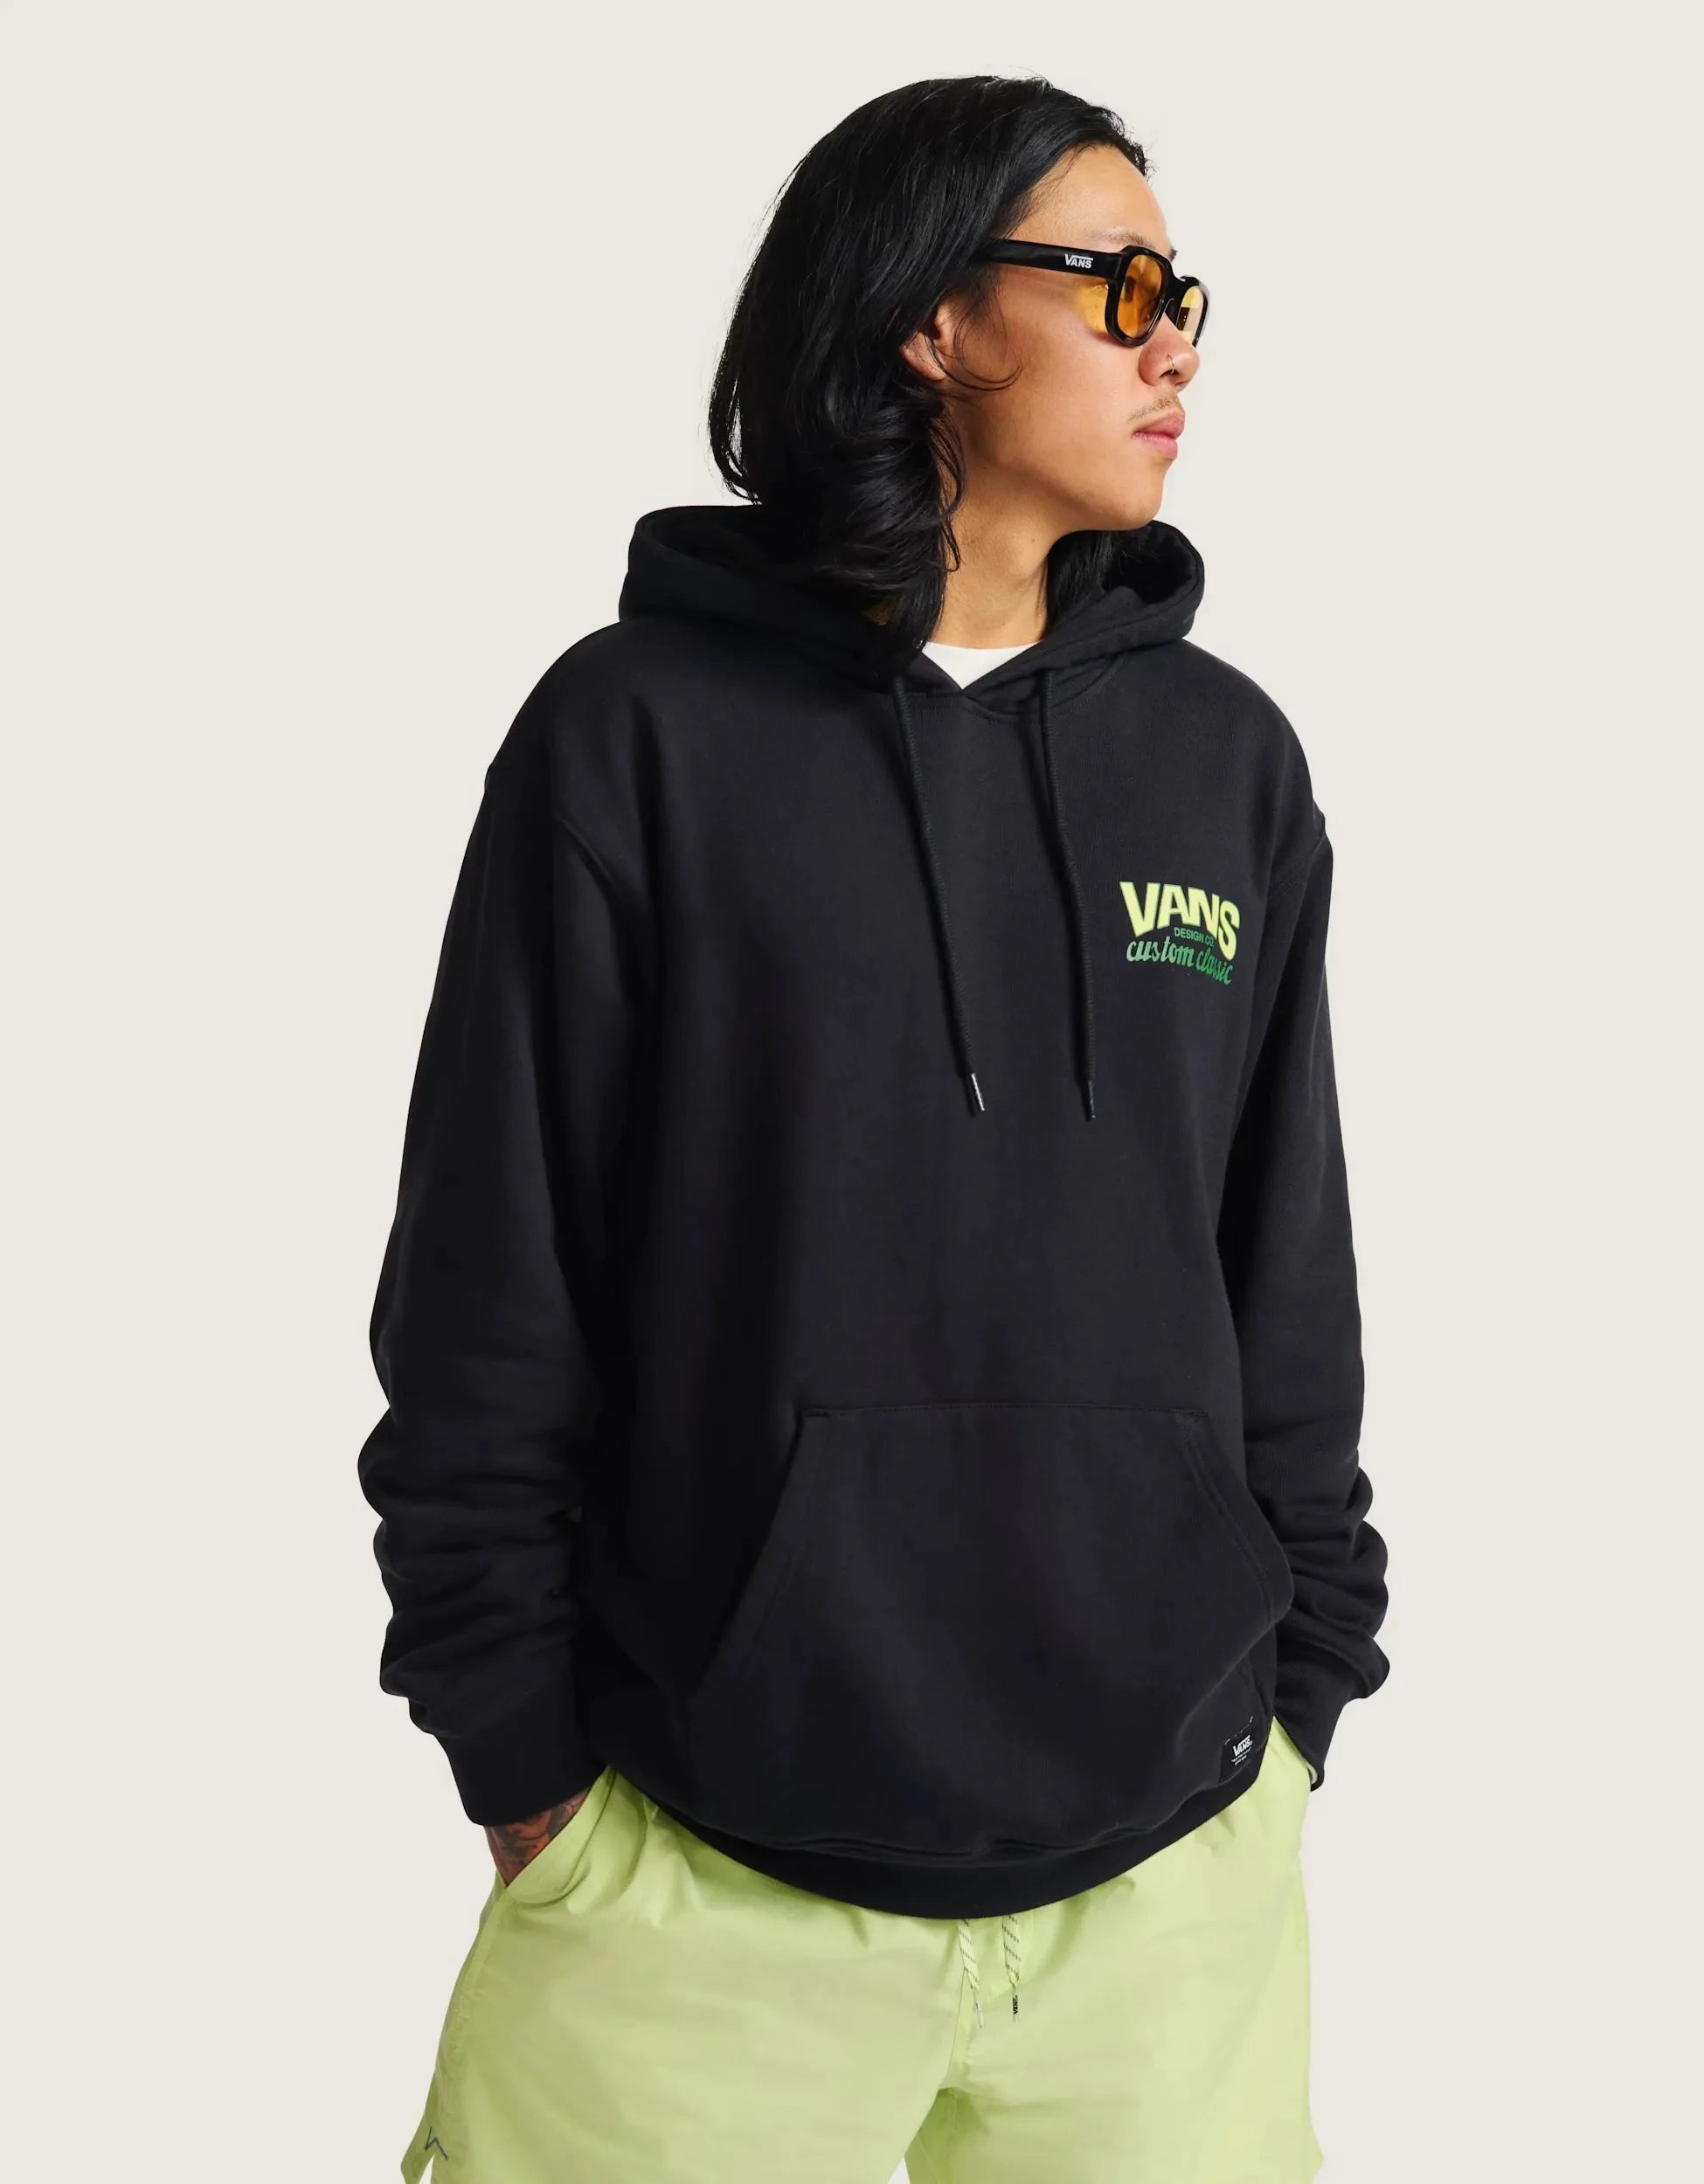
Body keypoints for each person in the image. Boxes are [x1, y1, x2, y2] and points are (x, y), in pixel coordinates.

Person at [359, 72, 1389, 2184]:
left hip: (1172, 1898)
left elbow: (1282, 1269)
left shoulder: (1225, 762)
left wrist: (1303, 1686)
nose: (1174, 342)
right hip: (700, 1892)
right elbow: (489, 1281)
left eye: (1182, 291)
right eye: (1114, 284)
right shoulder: (633, 735)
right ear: (930, 317)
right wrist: (520, 1755)